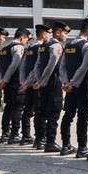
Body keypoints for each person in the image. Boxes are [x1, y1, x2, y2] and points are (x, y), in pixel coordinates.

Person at [59, 18, 88, 157]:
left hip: (70, 88)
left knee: (68, 115)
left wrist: (65, 83)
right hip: (82, 87)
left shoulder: (68, 44)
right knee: (83, 117)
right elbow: (84, 68)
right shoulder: (87, 46)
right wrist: (73, 83)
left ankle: (65, 145)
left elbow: (62, 66)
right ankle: (82, 148)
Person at [33, 21, 68, 153]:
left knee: (42, 112)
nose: (66, 36)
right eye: (64, 33)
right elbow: (51, 65)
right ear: (58, 33)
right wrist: (43, 81)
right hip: (52, 83)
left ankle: (40, 140)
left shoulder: (43, 45)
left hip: (43, 84)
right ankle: (50, 142)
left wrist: (38, 80)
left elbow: (37, 65)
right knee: (53, 112)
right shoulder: (56, 45)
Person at [0, 28, 29, 143]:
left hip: (7, 84)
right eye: (27, 39)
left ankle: (5, 133)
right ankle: (14, 134)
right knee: (18, 108)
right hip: (16, 82)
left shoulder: (3, 49)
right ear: (22, 38)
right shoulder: (19, 47)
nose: (27, 42)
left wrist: (0, 80)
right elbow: (14, 65)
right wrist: (5, 79)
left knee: (9, 108)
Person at [17, 26, 45, 146]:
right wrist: (33, 81)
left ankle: (26, 135)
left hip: (27, 84)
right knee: (39, 111)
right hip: (35, 84)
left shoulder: (29, 47)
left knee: (27, 111)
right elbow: (37, 68)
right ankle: (39, 139)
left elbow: (22, 66)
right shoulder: (40, 47)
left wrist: (23, 81)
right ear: (44, 35)